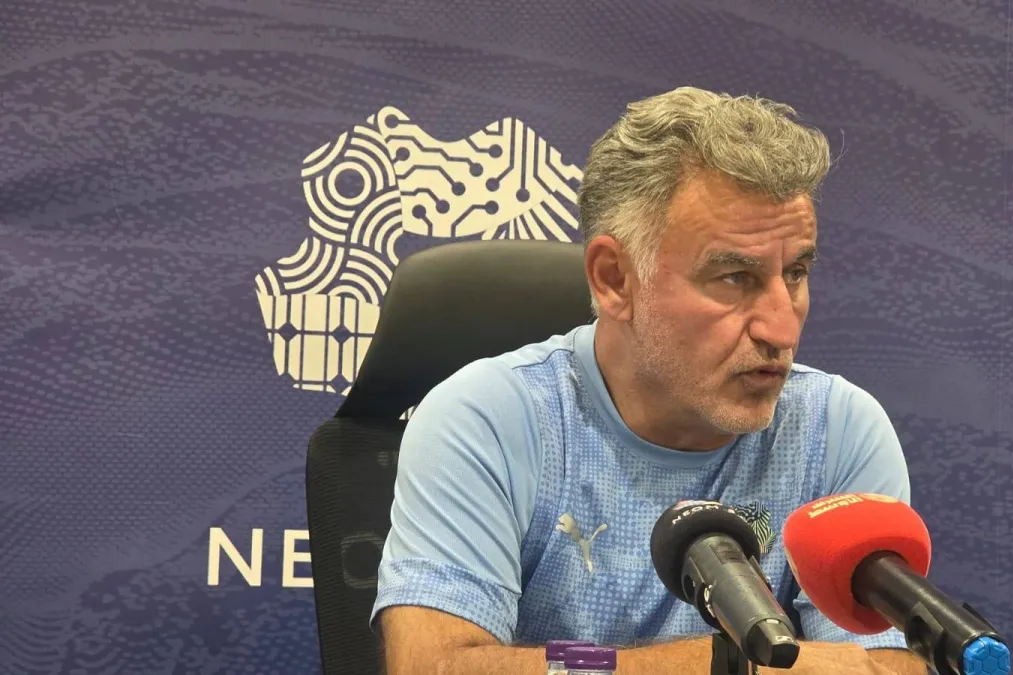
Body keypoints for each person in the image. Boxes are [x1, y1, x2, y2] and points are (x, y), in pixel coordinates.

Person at [372, 86, 926, 675]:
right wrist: (719, 667)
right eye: (735, 277)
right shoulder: (489, 418)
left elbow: (883, 668)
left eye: (795, 273)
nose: (782, 328)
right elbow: (433, 666)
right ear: (615, 279)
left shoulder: (836, 428)